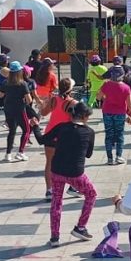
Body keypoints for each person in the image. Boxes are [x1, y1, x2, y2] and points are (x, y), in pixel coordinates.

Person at [44, 101, 98, 247]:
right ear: (85, 116)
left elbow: (44, 139)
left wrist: (35, 126)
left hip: (57, 170)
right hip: (75, 172)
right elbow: (88, 155)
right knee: (91, 194)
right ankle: (80, 227)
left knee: (56, 201)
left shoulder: (61, 127)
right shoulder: (89, 132)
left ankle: (54, 237)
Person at [39, 77, 76, 202]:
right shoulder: (72, 103)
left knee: (50, 162)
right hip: (65, 135)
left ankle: (49, 190)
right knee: (69, 162)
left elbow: (43, 113)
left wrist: (44, 102)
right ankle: (72, 186)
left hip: (50, 133)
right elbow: (75, 120)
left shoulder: (54, 99)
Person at [97, 66, 131, 165]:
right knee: (119, 134)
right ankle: (119, 156)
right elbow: (130, 104)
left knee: (108, 134)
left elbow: (98, 96)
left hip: (107, 112)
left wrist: (105, 97)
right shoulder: (126, 87)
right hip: (120, 113)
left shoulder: (106, 84)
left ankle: (109, 158)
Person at [0, 61, 32, 162]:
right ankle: (20, 152)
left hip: (8, 109)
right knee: (26, 130)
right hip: (20, 109)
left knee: (12, 131)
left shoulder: (5, 82)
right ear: (19, 72)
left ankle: (8, 154)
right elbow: (29, 99)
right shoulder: (23, 84)